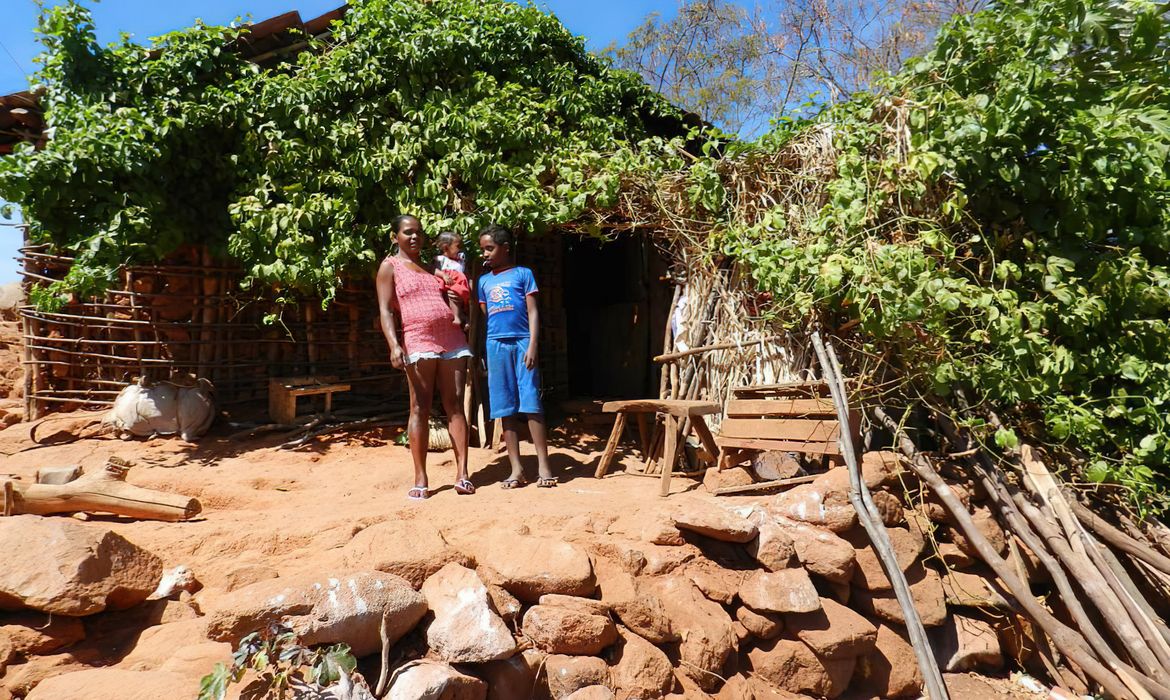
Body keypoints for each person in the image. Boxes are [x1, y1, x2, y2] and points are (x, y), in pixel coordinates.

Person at [376, 215, 475, 500]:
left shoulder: (434, 265)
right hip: (417, 338)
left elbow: (453, 292)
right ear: (395, 236)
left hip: (451, 338)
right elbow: (385, 310)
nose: (414, 237)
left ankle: (463, 474)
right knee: (420, 405)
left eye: (418, 232)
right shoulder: (389, 267)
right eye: (408, 232)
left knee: (454, 403)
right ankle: (421, 477)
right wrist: (394, 345)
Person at [477, 224, 555, 488]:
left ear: (505, 248)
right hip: (496, 345)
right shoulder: (484, 281)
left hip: (523, 343)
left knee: (532, 404)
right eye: (483, 250)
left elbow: (533, 312)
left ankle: (544, 467)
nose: (485, 254)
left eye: (490, 248)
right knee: (504, 407)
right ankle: (516, 470)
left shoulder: (524, 274)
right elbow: (489, 317)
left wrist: (533, 344)